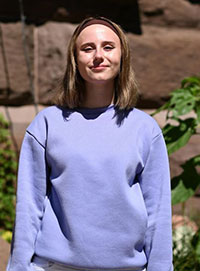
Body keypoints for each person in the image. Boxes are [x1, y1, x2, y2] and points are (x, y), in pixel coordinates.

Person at [7, 16, 173, 271]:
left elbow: (158, 214)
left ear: (122, 56)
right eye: (87, 48)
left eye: (108, 47)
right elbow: (29, 207)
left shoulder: (145, 129)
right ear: (75, 60)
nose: (98, 55)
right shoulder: (47, 124)